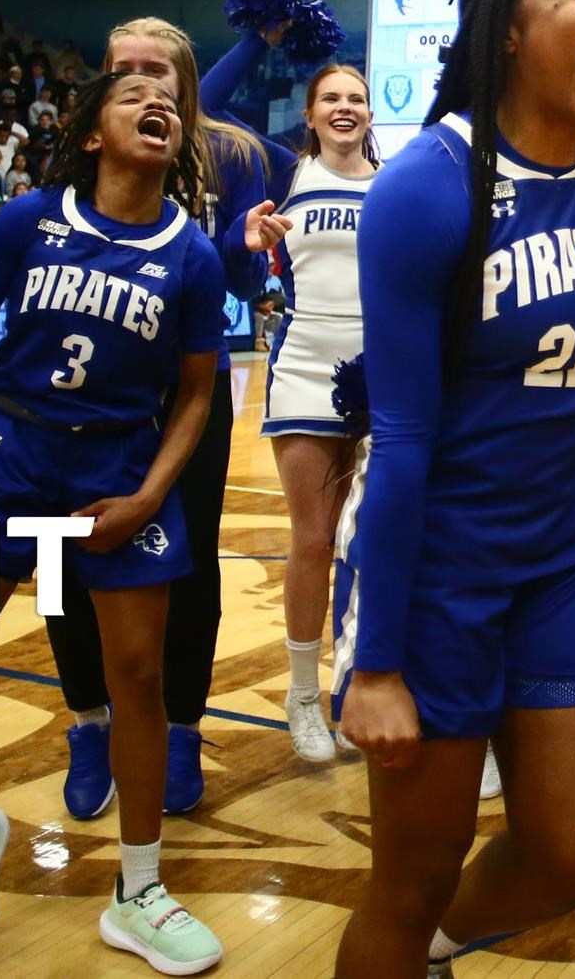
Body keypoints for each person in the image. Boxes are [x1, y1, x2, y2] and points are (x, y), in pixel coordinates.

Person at [328, 0, 575, 978]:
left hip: (567, 562)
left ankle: (429, 950)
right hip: (437, 567)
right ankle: (413, 938)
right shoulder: (426, 185)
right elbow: (404, 437)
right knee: (411, 873)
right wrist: (376, 661)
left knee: (570, 853)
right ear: (510, 31)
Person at [0, 72, 229, 975]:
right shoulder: (27, 221)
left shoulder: (193, 256)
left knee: (139, 682)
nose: (154, 105)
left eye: (167, 100)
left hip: (119, 462)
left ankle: (141, 888)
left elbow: (197, 392)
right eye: (130, 97)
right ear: (90, 134)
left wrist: (150, 495)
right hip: (4, 456)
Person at [45, 14, 296, 823]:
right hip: (82, 394)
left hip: (188, 388)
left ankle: (182, 727)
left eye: (159, 69)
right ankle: (89, 722)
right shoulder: (80, 152)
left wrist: (245, 243)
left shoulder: (230, 153)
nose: (142, 81)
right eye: (124, 68)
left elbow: (225, 276)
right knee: (67, 554)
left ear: (187, 85)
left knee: (188, 565)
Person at [236, 63, 378, 763]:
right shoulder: (284, 178)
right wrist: (249, 237)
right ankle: (301, 695)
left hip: (383, 372)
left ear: (370, 114)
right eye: (332, 98)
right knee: (314, 541)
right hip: (305, 366)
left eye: (356, 98)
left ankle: (362, 687)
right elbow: (245, 257)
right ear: (313, 115)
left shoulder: (392, 187)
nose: (344, 107)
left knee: (377, 544)